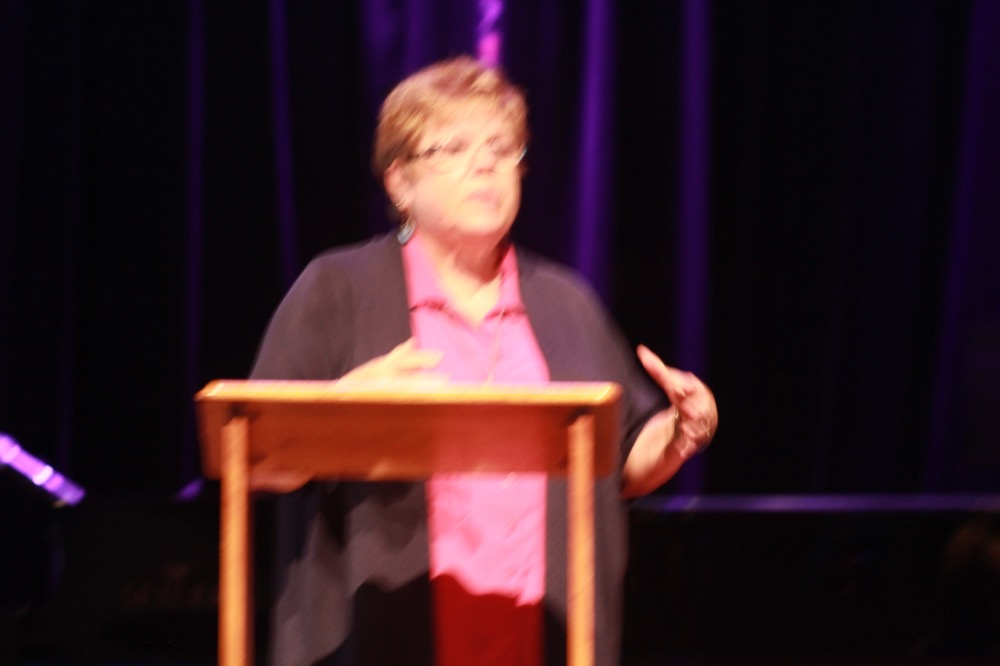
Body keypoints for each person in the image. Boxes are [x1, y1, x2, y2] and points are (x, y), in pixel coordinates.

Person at [249, 55, 718, 666]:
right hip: (389, 638)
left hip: (543, 639)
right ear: (399, 183)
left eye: (502, 148)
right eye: (453, 148)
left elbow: (621, 460)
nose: (485, 165)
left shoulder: (565, 301)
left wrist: (679, 433)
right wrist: (345, 408)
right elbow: (253, 460)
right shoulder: (338, 289)